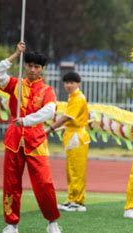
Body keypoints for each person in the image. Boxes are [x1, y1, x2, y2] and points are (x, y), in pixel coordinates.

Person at [0, 42, 63, 233]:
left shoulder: (47, 90)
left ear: (42, 69)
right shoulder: (16, 85)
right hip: (14, 140)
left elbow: (49, 111)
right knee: (11, 183)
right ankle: (11, 225)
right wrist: (16, 53)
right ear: (25, 66)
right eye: (29, 65)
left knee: (44, 183)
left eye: (36, 66)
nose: (32, 69)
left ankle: (52, 222)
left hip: (36, 141)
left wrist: (26, 120)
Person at [47, 71, 90, 212]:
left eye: (71, 82)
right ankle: (72, 199)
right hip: (73, 135)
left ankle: (78, 202)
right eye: (66, 83)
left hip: (77, 137)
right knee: (71, 169)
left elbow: (66, 117)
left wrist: (50, 129)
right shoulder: (73, 97)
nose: (68, 85)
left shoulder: (78, 98)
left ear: (78, 83)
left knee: (76, 170)